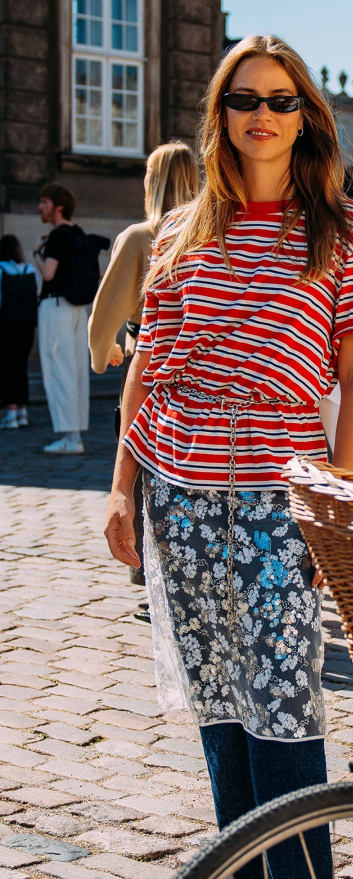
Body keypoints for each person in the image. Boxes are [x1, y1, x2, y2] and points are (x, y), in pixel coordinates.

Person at [102, 33, 353, 879]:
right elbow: (152, 362)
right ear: (220, 116)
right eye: (242, 100)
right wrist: (122, 486)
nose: (260, 114)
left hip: (279, 496)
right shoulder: (186, 228)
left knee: (283, 701)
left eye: (278, 98)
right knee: (221, 701)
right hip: (180, 492)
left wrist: (335, 498)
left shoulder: (346, 231)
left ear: (305, 114)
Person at [89, 142, 199, 608]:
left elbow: (102, 317)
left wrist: (103, 354)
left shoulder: (139, 236)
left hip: (147, 366)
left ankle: (148, 572)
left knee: (137, 472)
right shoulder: (207, 232)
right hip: (198, 378)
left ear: (151, 183)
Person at [33, 183, 107, 455]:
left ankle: (71, 437)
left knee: (58, 369)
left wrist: (37, 255)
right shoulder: (79, 235)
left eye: (44, 202)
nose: (40, 207)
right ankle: (75, 433)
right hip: (78, 309)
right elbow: (98, 273)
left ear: (58, 206)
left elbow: (48, 274)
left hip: (55, 306)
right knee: (75, 371)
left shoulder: (57, 237)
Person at [0, 236, 39, 430]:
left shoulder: (1, 269)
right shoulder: (29, 270)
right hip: (27, 326)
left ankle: (11, 413)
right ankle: (22, 412)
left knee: (8, 369)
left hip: (7, 326)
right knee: (21, 367)